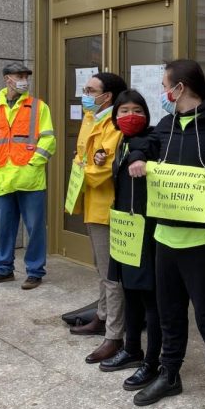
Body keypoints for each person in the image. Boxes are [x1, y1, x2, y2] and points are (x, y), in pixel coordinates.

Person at [128, 60, 205, 409]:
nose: (163, 93)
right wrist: (139, 158)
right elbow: (143, 143)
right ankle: (169, 374)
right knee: (168, 314)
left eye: (166, 86)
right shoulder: (167, 122)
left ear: (181, 87)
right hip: (165, 237)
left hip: (204, 239)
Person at [67, 73, 129, 366]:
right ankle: (103, 318)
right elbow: (81, 158)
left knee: (111, 275)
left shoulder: (115, 124)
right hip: (91, 202)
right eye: (85, 89)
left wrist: (85, 167)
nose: (85, 94)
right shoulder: (91, 119)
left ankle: (115, 334)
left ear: (109, 96)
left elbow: (102, 169)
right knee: (100, 268)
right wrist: (84, 166)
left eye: (91, 90)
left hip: (107, 206)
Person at [0, 62, 56, 290]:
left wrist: (34, 163)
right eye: (19, 75)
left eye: (25, 75)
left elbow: (49, 139)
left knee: (35, 228)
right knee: (4, 227)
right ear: (7, 79)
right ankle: (3, 269)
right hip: (3, 177)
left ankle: (35, 271)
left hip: (30, 178)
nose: (24, 79)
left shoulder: (38, 106)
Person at [104, 89, 161, 389]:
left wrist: (140, 153)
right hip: (125, 231)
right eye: (123, 111)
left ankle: (153, 360)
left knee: (150, 298)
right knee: (131, 292)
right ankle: (132, 349)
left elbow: (149, 144)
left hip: (146, 230)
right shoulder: (121, 144)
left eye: (137, 110)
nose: (130, 116)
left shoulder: (149, 140)